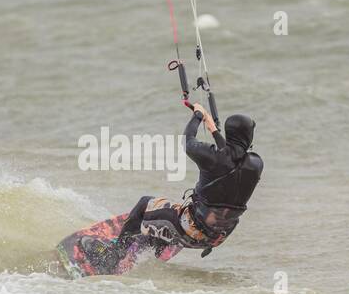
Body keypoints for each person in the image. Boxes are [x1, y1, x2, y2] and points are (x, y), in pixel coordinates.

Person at [81, 103, 262, 266]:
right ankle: (150, 247)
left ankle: (115, 254)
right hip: (216, 238)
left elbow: (188, 141)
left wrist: (198, 115)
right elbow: (231, 157)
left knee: (145, 203)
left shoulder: (213, 158)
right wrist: (213, 130)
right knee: (171, 218)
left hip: (191, 230)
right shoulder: (256, 164)